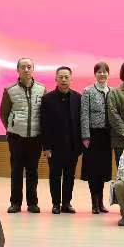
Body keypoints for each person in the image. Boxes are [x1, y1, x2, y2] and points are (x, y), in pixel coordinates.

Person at [0, 57, 46, 214]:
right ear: (18, 70)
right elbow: (4, 113)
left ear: (33, 69)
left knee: (33, 171)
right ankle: (15, 203)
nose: (26, 70)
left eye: (29, 67)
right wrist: (12, 128)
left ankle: (32, 203)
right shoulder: (10, 90)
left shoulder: (42, 89)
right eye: (23, 67)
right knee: (16, 171)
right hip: (16, 138)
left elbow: (44, 113)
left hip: (35, 138)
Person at [40, 66, 82, 214]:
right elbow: (43, 124)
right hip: (54, 146)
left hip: (72, 145)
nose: (64, 80)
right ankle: (56, 204)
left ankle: (67, 203)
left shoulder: (78, 98)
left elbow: (80, 123)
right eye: (61, 77)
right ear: (56, 79)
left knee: (70, 176)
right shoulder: (47, 99)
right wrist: (46, 147)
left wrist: (80, 146)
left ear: (71, 79)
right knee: (55, 175)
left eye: (66, 77)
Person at [80, 62, 113, 214]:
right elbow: (84, 114)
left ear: (108, 74)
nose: (102, 74)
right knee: (93, 171)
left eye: (105, 71)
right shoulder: (88, 91)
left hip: (107, 136)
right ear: (95, 74)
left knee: (103, 170)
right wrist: (85, 136)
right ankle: (94, 203)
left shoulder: (112, 91)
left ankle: (101, 202)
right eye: (99, 72)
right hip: (92, 136)